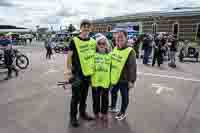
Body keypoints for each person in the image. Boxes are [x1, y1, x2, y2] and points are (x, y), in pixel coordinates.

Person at [66, 19, 96, 127]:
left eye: (88, 27)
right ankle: (73, 116)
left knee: (84, 96)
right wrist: (69, 72)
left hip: (87, 74)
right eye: (84, 26)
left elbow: (94, 57)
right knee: (75, 97)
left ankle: (82, 113)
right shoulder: (74, 41)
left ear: (90, 29)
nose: (86, 28)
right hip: (77, 74)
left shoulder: (93, 41)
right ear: (81, 28)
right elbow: (69, 56)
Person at [110, 30, 137, 120]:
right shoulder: (115, 48)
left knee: (124, 96)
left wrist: (132, 81)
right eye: (117, 37)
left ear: (126, 38)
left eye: (121, 37)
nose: (119, 39)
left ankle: (122, 112)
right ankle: (113, 106)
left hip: (124, 79)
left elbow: (132, 67)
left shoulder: (130, 51)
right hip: (115, 77)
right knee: (113, 92)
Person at [91, 35, 111, 121]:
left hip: (106, 81)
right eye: (99, 43)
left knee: (105, 98)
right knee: (95, 98)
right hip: (95, 81)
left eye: (103, 43)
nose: (101, 45)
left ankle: (104, 113)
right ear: (96, 45)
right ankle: (96, 113)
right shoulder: (93, 55)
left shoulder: (110, 55)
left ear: (106, 44)